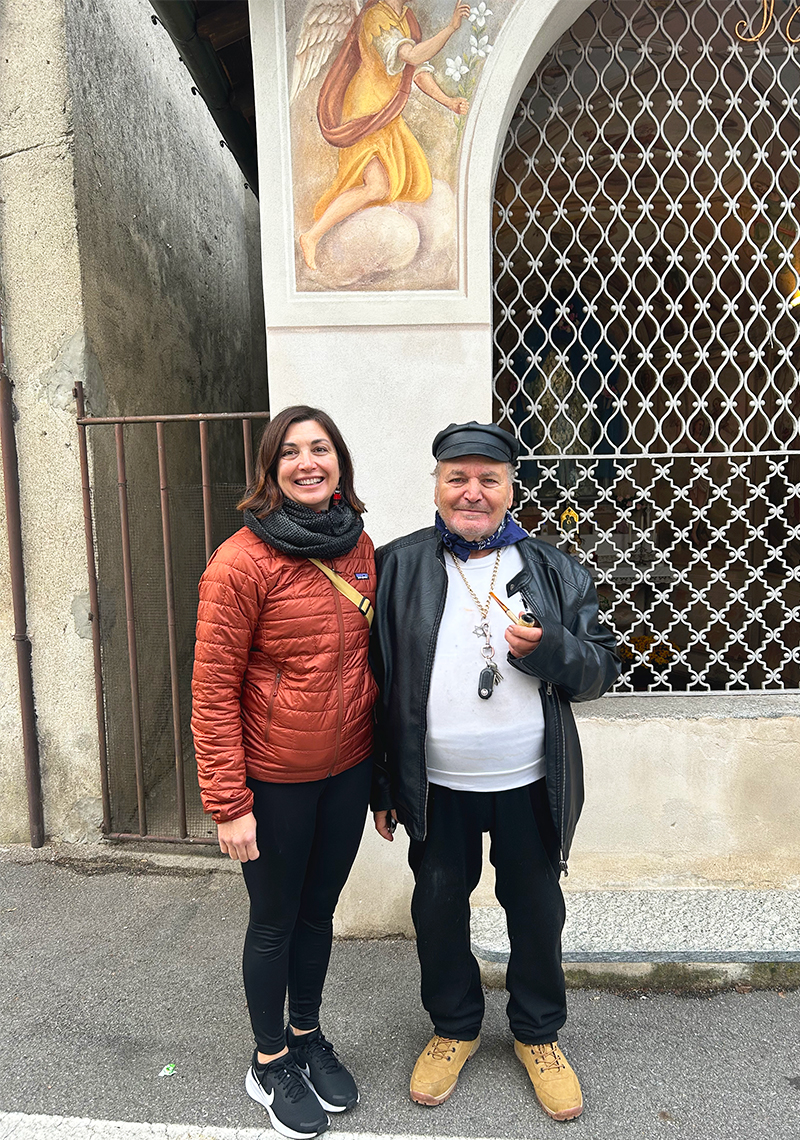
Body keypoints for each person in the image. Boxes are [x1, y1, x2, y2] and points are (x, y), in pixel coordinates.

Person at [371, 420, 620, 1122]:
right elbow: (377, 681)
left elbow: (602, 668)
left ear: (512, 489)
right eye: (458, 478)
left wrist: (551, 652)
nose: (472, 492)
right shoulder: (400, 566)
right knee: (439, 907)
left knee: (536, 911)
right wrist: (385, 782)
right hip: (439, 784)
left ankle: (537, 1035)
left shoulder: (554, 569)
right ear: (438, 486)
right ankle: (454, 1026)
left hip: (528, 780)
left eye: (488, 479)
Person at [191, 405, 377, 1139]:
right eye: (291, 452)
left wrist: (383, 780)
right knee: (273, 923)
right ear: (269, 469)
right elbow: (212, 691)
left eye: (321, 448)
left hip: (348, 772)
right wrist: (229, 803)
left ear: (339, 462)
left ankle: (306, 1037)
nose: (308, 462)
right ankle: (269, 1061)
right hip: (273, 781)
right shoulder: (240, 561)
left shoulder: (358, 542)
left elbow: (375, 668)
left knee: (318, 915)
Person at [299, 0, 471, 270]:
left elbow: (417, 72)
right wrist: (450, 28)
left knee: (411, 184)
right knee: (378, 186)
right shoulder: (375, 16)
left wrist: (447, 101)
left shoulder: (407, 19)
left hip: (387, 116)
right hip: (364, 113)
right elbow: (410, 56)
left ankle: (354, 234)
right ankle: (312, 237)